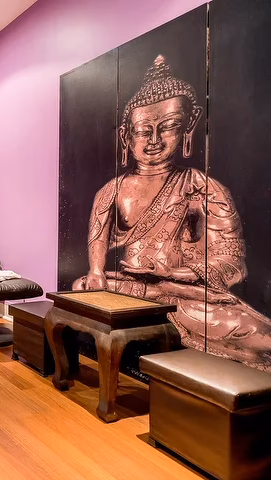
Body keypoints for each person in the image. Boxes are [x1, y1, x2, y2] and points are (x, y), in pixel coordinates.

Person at [73, 55, 271, 370]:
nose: (154, 140)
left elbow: (232, 261)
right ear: (126, 136)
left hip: (188, 296)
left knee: (255, 333)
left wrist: (181, 273)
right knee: (81, 286)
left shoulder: (203, 187)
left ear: (187, 127)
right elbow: (97, 237)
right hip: (130, 285)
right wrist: (97, 273)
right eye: (144, 130)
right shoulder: (112, 190)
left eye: (168, 127)